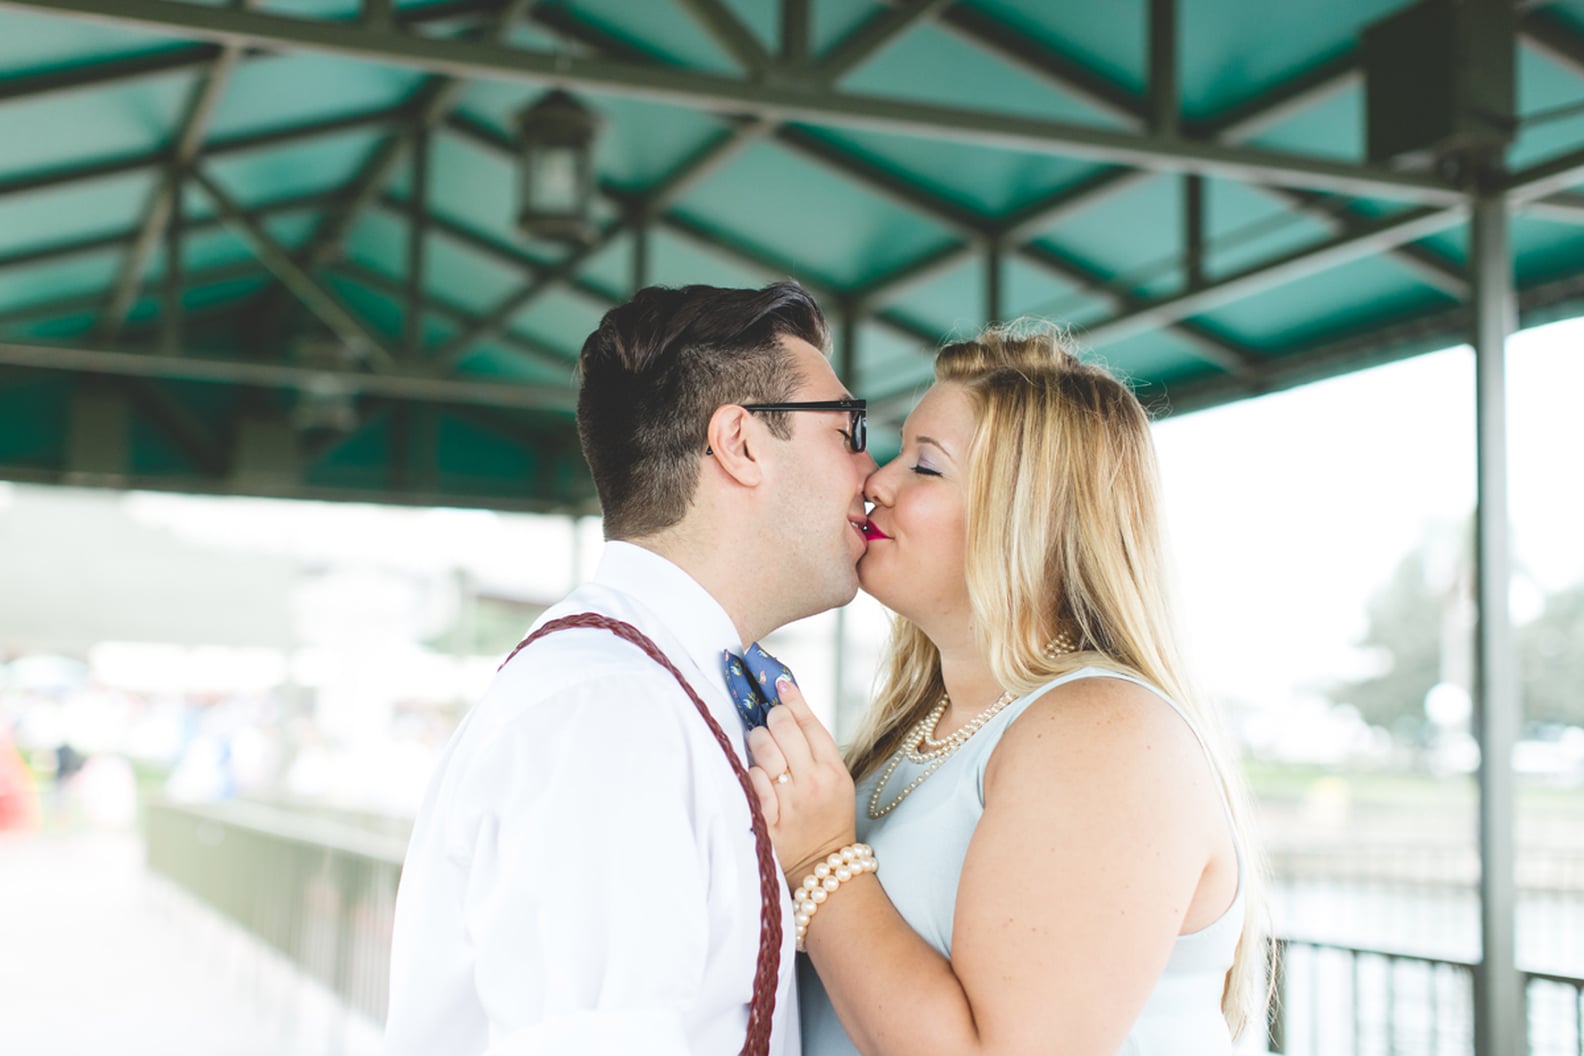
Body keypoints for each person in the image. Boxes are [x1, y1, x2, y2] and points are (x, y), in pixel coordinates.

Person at [744, 323, 1269, 1055]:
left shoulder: (1106, 731)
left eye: (926, 466)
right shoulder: (917, 730)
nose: (877, 483)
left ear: (1029, 516)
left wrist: (821, 863)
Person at [384, 281, 876, 1056]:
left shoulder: (645, 685)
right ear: (741, 443)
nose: (872, 473)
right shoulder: (611, 710)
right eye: (848, 430)